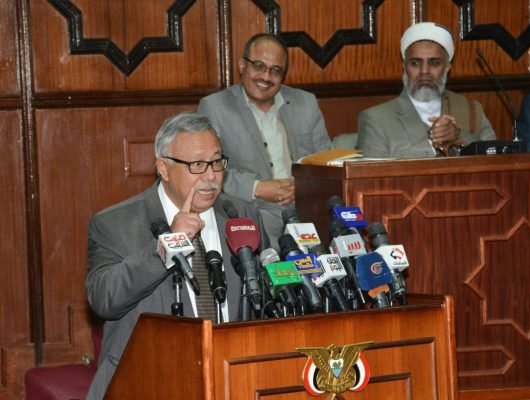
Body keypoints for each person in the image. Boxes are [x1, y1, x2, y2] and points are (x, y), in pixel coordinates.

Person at [85, 112, 268, 399]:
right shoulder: (115, 223)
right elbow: (104, 298)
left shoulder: (241, 215)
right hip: (145, 383)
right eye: (197, 165)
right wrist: (167, 244)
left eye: (216, 162)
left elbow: (265, 299)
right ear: (164, 167)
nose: (211, 176)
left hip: (232, 382)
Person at [198, 33, 331, 246]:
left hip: (307, 204)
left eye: (275, 70)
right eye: (258, 66)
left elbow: (326, 163)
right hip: (253, 208)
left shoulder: (306, 103)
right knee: (274, 251)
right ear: (242, 65)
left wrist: (303, 187)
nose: (266, 76)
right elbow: (207, 169)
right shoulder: (215, 107)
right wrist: (258, 187)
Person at [357, 22, 496, 159]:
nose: (424, 71)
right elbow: (373, 173)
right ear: (404, 67)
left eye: (434, 63)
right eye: (415, 63)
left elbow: (494, 159)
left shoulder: (471, 109)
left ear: (447, 67)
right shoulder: (376, 119)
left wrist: (458, 136)